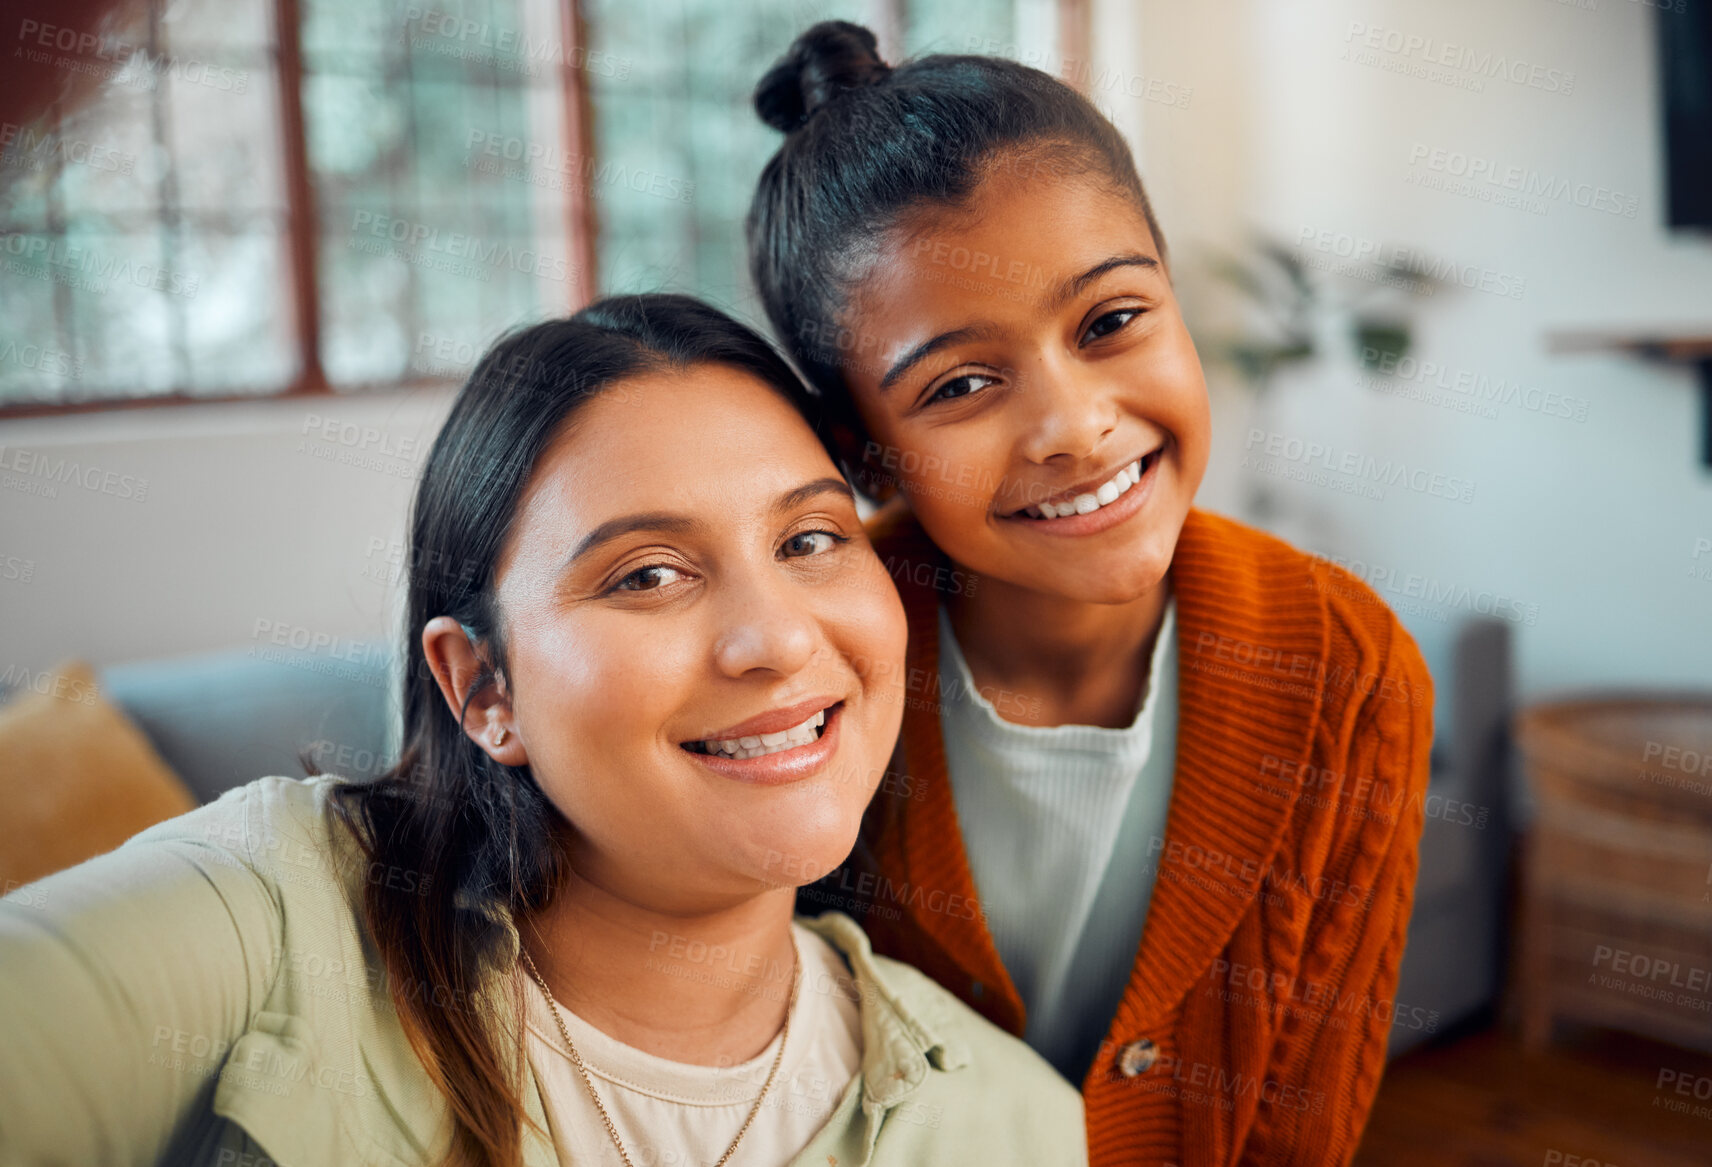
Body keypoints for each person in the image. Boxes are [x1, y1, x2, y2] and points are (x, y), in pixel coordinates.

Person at [0, 294, 1086, 1167]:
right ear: (484, 691)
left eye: (809, 539)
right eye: (648, 574)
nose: (775, 640)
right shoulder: (273, 918)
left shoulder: (1011, 1125)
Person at [746, 23, 1435, 1166]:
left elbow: (1298, 1116)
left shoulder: (1344, 668)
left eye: (1110, 321)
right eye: (960, 384)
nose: (1073, 426)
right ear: (864, 453)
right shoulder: (815, 655)